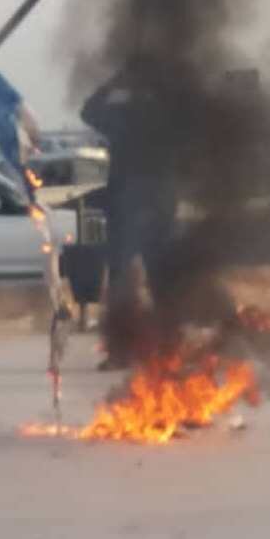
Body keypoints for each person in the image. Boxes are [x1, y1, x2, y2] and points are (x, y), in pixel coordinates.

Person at [81, 66, 177, 370]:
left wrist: (114, 83)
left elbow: (90, 110)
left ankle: (149, 349)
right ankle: (148, 349)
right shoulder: (160, 114)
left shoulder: (129, 115)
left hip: (142, 205)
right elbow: (90, 111)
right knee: (139, 278)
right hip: (142, 205)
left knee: (136, 277)